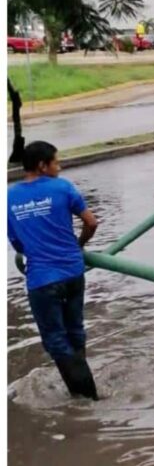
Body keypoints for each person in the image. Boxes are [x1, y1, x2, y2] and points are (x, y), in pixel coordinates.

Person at [8, 141, 101, 400]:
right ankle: (85, 388)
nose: (59, 168)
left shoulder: (9, 198)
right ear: (42, 165)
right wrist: (77, 245)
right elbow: (91, 222)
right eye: (56, 163)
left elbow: (16, 242)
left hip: (41, 280)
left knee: (56, 341)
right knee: (75, 330)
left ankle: (85, 398)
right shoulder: (62, 188)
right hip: (73, 272)